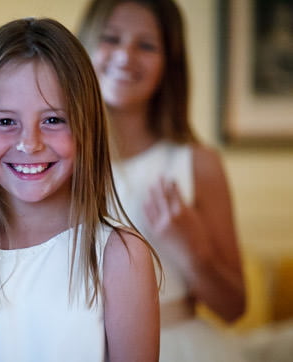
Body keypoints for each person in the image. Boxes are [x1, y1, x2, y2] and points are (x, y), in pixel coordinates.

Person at [0, 17, 160, 362]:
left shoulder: (119, 258)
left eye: (53, 120)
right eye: (6, 122)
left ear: (86, 127)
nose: (30, 143)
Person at [78, 0, 246, 361]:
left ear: (170, 64)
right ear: (83, 46)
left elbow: (234, 308)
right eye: (111, 38)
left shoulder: (197, 165)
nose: (125, 56)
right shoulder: (56, 161)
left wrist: (192, 250)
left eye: (147, 45)